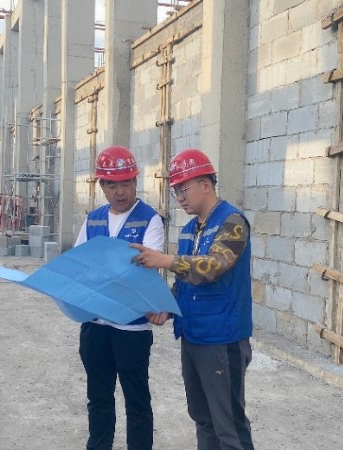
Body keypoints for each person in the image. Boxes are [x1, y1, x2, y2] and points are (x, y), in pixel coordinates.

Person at [130, 148, 254, 450]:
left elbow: (215, 266)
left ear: (206, 184)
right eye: (176, 192)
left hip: (222, 339)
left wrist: (166, 260)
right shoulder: (189, 229)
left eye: (184, 189)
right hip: (194, 335)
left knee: (229, 425)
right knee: (202, 417)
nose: (180, 198)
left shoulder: (232, 222)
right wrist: (167, 308)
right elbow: (186, 282)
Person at [74, 145, 164, 450]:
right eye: (112, 185)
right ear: (102, 186)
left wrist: (102, 270)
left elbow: (144, 270)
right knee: (98, 397)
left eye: (126, 183)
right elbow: (80, 264)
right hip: (95, 325)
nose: (120, 192)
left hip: (132, 327)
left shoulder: (150, 220)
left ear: (135, 181)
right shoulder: (93, 220)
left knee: (136, 400)